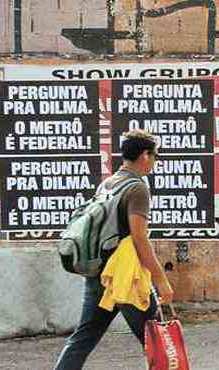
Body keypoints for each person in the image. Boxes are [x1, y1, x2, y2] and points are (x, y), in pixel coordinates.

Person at [54, 129, 174, 370]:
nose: (154, 162)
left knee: (83, 338)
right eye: (154, 156)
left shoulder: (108, 183)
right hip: (125, 277)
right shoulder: (137, 188)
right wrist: (161, 280)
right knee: (156, 340)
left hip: (99, 274)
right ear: (144, 155)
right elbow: (139, 238)